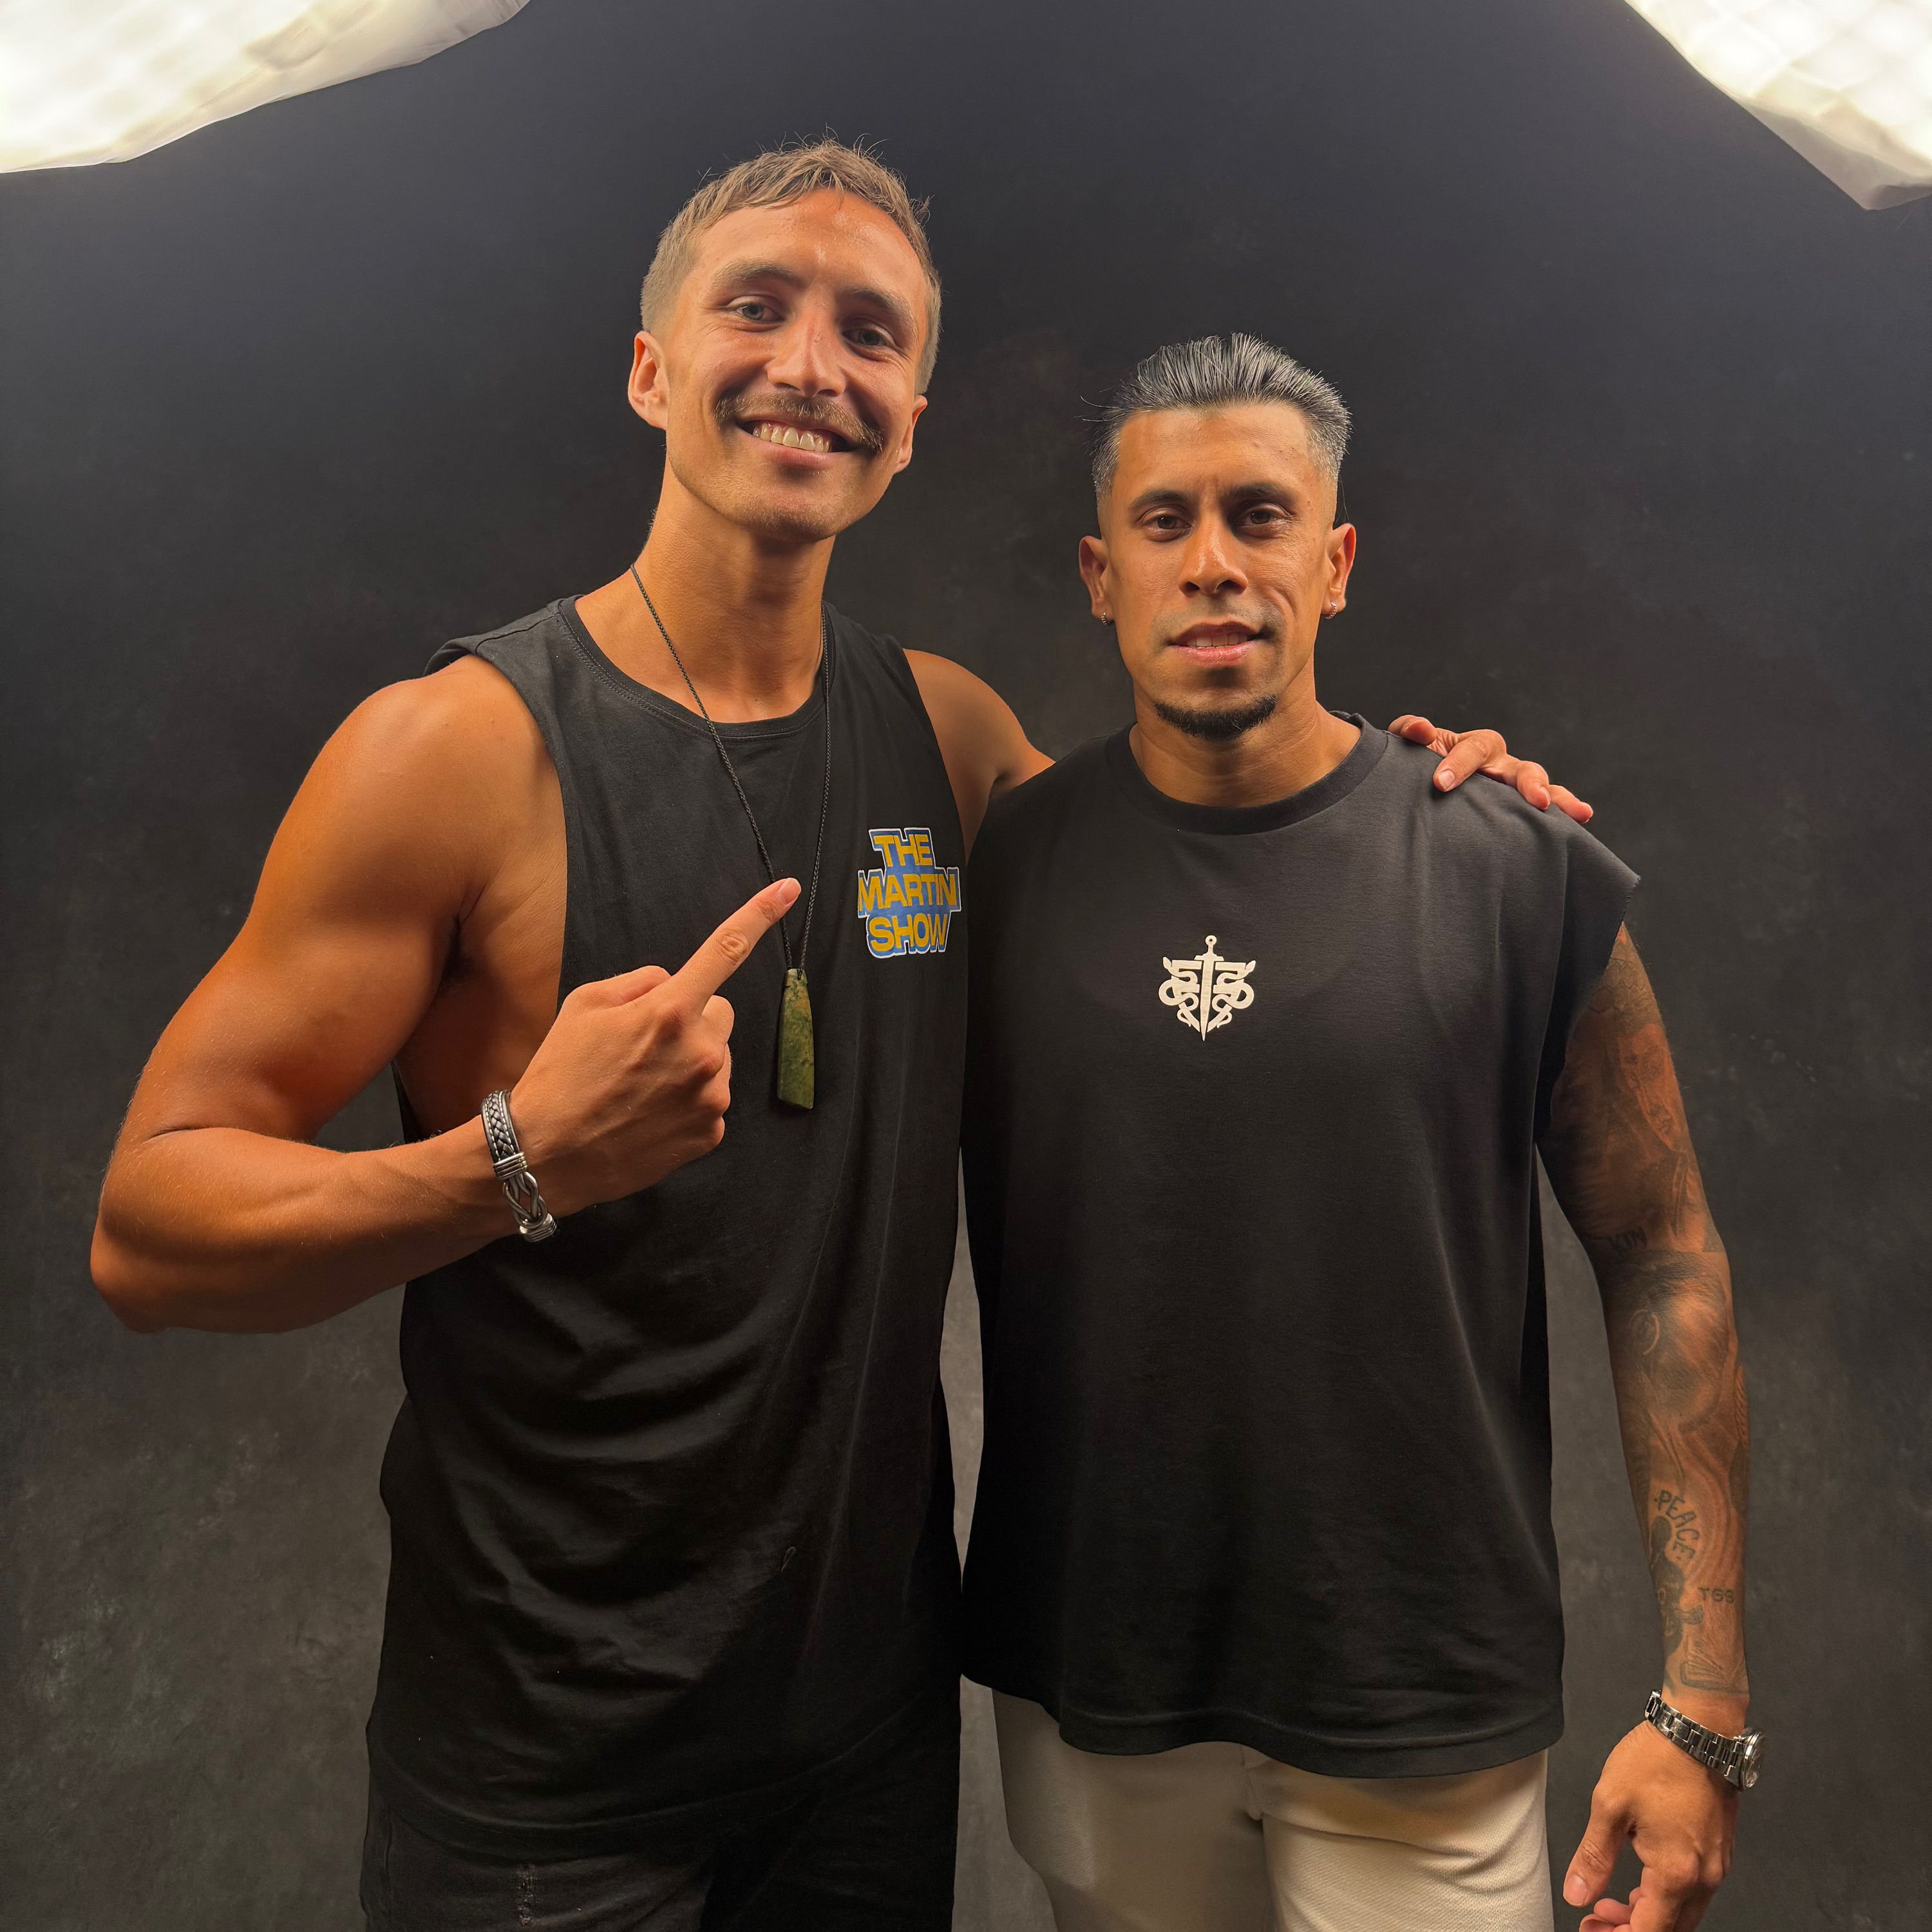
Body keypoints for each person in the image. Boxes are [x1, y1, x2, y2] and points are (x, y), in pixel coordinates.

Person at [91, 146, 1584, 1930]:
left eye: (870, 332)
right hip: (553, 1776)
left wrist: (1433, 799)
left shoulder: (949, 743)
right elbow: (148, 1232)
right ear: (652, 369)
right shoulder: (457, 754)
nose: (813, 363)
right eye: (758, 306)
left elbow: (1221, 860)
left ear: (909, 420)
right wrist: (515, 1163)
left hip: (863, 1756)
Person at [960, 335, 1754, 1932]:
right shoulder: (1005, 865)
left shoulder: (1513, 866)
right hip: (1097, 1677)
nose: (1213, 563)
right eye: (1166, 522)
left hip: (1422, 1695)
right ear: (1101, 576)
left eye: (1260, 516)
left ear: (1333, 564)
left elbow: (1662, 1252)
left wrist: (1705, 1702)